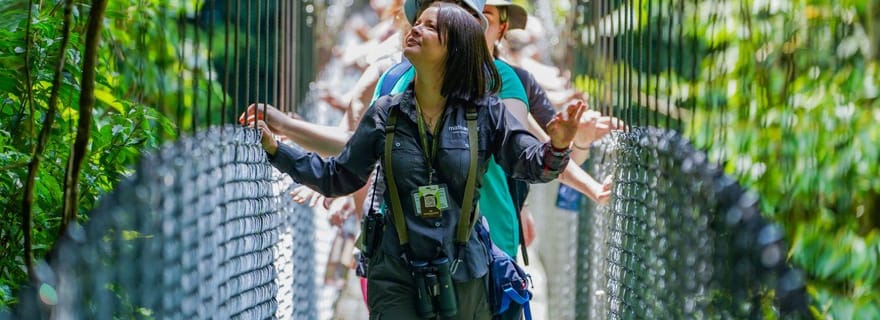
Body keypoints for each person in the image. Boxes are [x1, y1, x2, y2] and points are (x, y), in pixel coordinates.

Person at [250, 2, 583, 318]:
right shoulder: (386, 112)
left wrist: (558, 146)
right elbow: (338, 177)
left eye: (432, 27)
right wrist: (278, 151)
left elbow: (529, 164)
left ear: (457, 48)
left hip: (465, 269)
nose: (416, 29)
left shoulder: (485, 112)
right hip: (395, 271)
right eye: (418, 22)